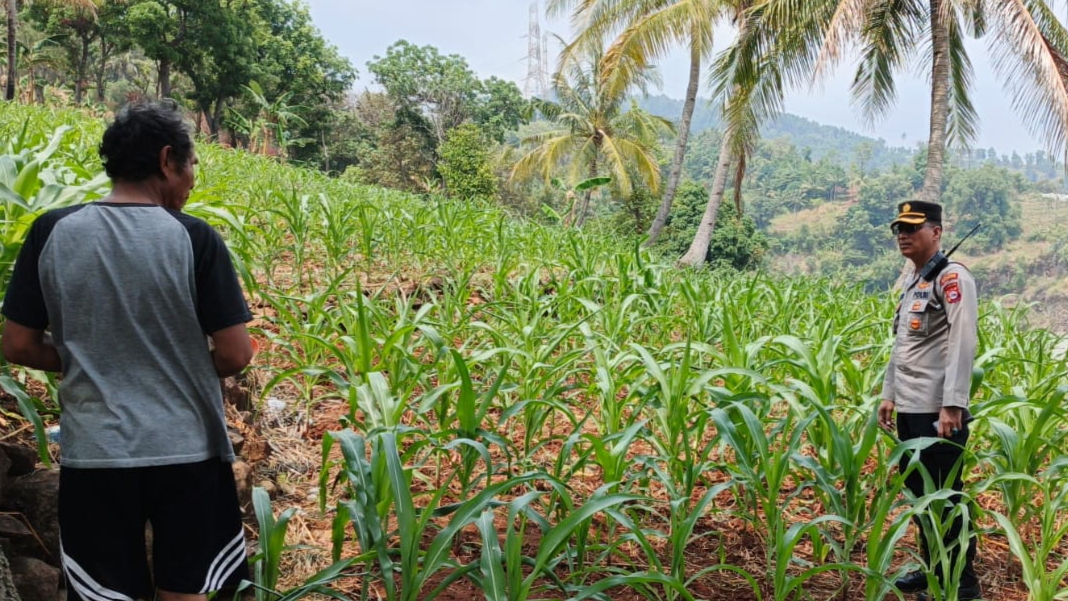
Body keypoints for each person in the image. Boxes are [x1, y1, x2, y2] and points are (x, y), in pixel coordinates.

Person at [1, 101, 254, 601]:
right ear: (166, 160)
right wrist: (175, 363)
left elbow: (18, 345)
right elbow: (235, 355)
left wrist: (91, 357)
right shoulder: (195, 238)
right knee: (186, 590)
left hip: (96, 454)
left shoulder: (51, 231)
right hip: (188, 451)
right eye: (192, 165)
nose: (192, 180)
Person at [878, 200, 980, 600]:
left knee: (946, 496)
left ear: (936, 232)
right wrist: (889, 394)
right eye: (899, 229)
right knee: (921, 494)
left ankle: (962, 585)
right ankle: (933, 569)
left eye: (912, 227)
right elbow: (903, 345)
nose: (903, 235)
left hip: (938, 414)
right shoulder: (916, 280)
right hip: (911, 407)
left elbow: (962, 342)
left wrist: (953, 404)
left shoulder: (952, 278)